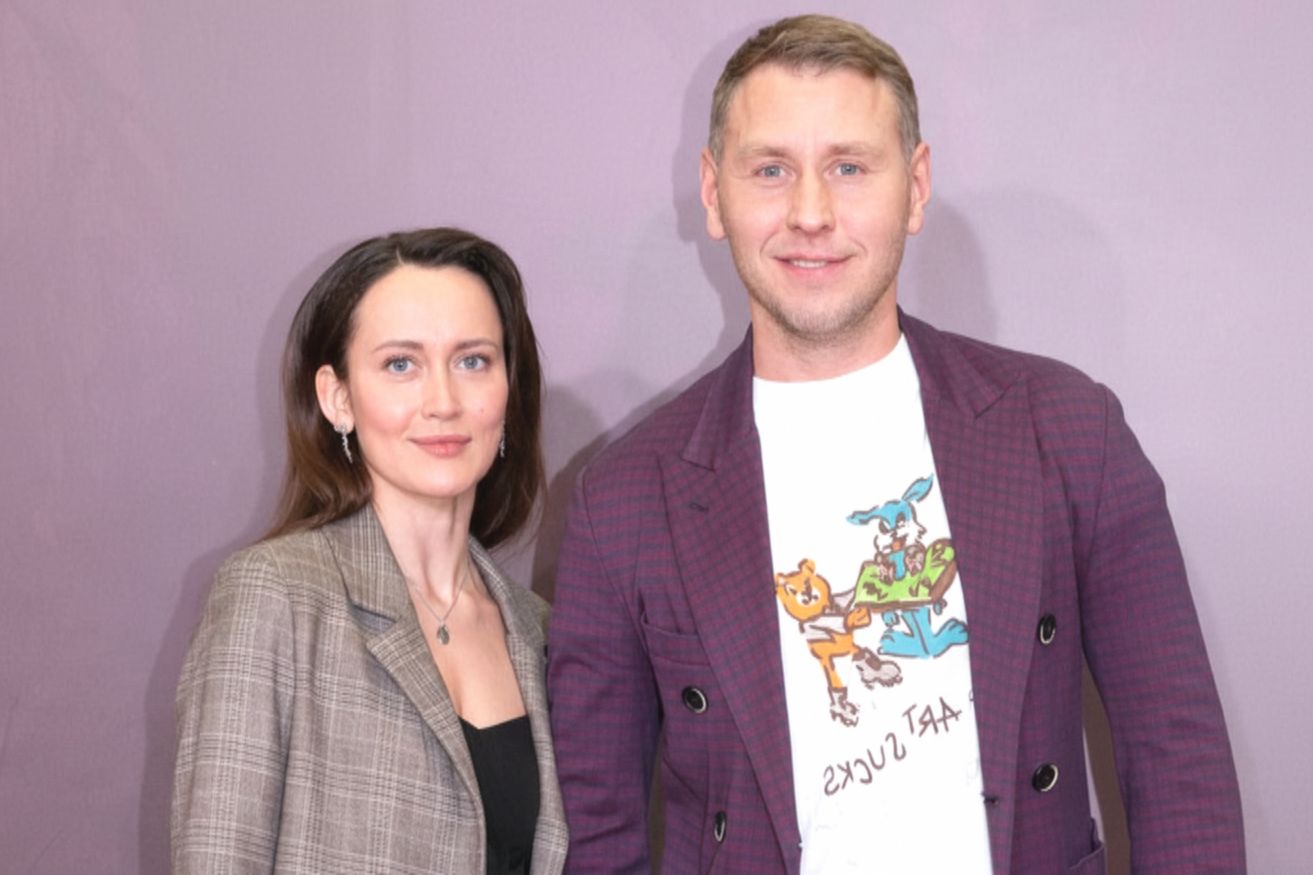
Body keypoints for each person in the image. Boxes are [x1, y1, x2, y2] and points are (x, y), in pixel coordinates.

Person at [547, 14, 1243, 874]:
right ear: (713, 191)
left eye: (848, 167)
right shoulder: (624, 498)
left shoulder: (1066, 429)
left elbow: (1179, 759)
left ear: (913, 188)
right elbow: (598, 834)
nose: (810, 213)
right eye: (770, 169)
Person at [172, 227, 568, 874]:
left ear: (508, 389)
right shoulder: (275, 596)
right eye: (400, 365)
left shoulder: (539, 631)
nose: (443, 403)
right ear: (338, 398)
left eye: (472, 361)